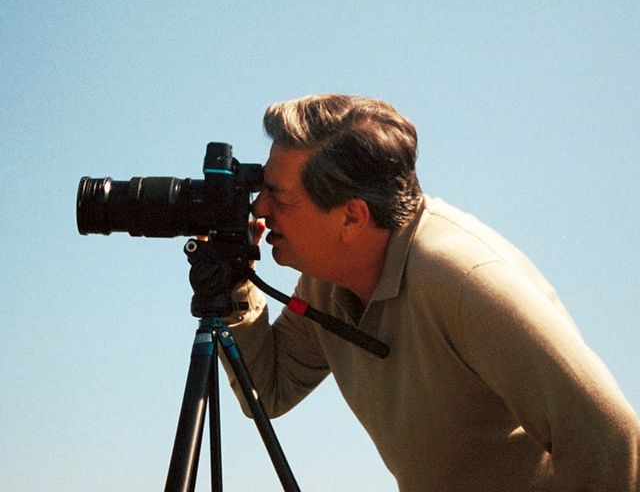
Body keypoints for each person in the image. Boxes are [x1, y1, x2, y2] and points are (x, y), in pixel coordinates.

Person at [223, 94, 640, 491]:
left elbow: (614, 445)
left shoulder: (465, 279)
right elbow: (269, 389)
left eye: (279, 196)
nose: (259, 209)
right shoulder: (328, 281)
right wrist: (231, 280)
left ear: (352, 217)